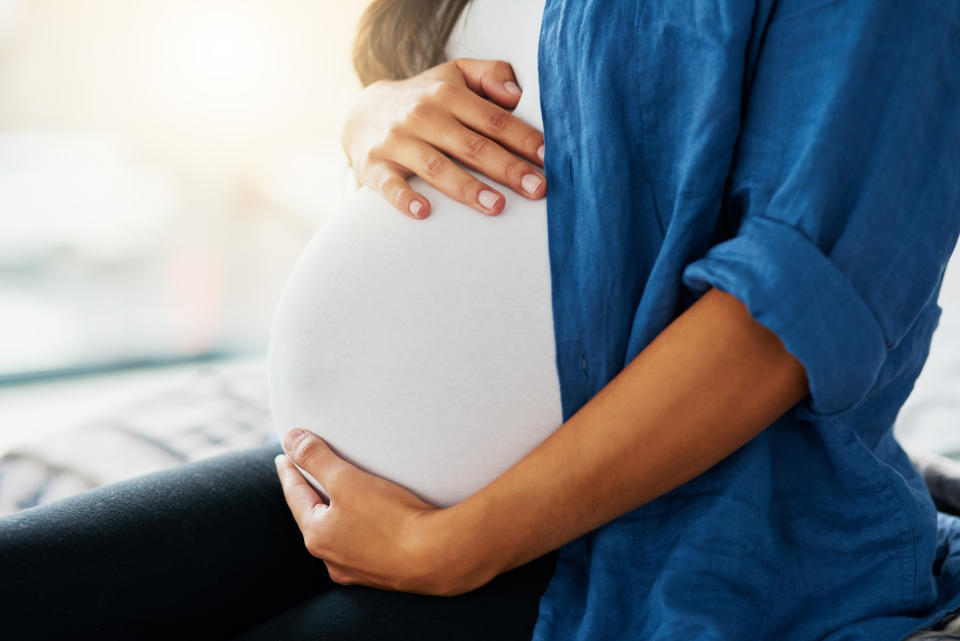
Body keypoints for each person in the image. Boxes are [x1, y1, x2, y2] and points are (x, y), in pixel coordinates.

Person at [2, 1, 960, 640]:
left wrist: (456, 547)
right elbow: (447, 95)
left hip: (659, 533)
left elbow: (794, 306)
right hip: (360, 491)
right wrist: (373, 115)